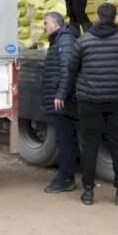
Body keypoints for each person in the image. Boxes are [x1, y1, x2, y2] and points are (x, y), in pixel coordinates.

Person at [56, 3, 118, 206]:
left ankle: (88, 192)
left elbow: (72, 67)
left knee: (90, 145)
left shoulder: (83, 41)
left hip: (89, 101)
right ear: (115, 17)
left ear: (96, 17)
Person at [40, 11, 80, 193]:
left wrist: (61, 95)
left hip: (64, 101)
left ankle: (66, 178)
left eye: (46, 23)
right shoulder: (60, 41)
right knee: (64, 139)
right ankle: (65, 175)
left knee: (65, 140)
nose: (44, 26)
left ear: (55, 25)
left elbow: (67, 70)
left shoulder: (64, 41)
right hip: (62, 100)